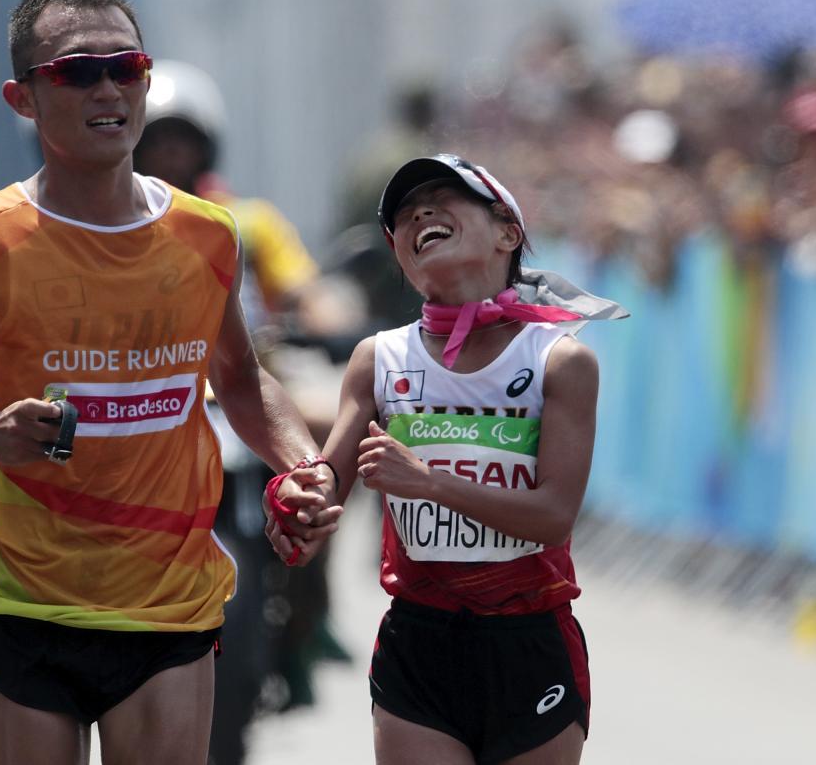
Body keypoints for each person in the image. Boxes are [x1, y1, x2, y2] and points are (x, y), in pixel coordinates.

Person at [0, 0, 338, 765]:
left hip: (168, 602)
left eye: (127, 66)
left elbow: (244, 382)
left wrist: (304, 466)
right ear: (23, 98)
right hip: (22, 601)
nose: (109, 87)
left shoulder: (207, 234)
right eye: (78, 72)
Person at [267, 154, 626, 764]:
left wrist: (428, 481)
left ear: (507, 233)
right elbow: (324, 485)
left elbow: (553, 517)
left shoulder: (560, 361)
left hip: (529, 642)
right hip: (420, 640)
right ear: (403, 260)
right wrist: (293, 505)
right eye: (404, 215)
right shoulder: (378, 358)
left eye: (442, 198)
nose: (420, 214)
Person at [133, 59, 353, 762]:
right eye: (158, 142)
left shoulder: (246, 224)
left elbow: (311, 291)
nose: (170, 156)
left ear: (208, 147)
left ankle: (311, 604)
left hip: (243, 393)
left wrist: (331, 318)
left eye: (183, 142)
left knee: (342, 445)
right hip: (151, 407)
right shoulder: (112, 227)